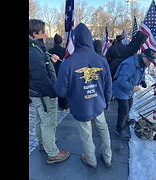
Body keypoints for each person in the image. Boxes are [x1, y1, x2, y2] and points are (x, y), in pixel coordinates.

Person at [55, 23, 112, 168]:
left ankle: (91, 161)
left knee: (86, 135)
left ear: (75, 41)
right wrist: (105, 102)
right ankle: (108, 158)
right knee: (103, 130)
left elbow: (60, 91)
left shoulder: (68, 63)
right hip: (99, 104)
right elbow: (108, 86)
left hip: (81, 107)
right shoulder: (101, 59)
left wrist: (73, 92)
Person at [29, 19, 70, 164]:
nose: (46, 36)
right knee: (49, 123)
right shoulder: (33, 51)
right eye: (43, 32)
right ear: (35, 34)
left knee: (40, 119)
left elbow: (39, 69)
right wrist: (54, 92)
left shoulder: (36, 48)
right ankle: (52, 152)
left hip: (37, 93)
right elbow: (41, 77)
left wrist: (50, 61)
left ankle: (43, 142)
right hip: (43, 94)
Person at [112, 48, 156, 140]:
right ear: (143, 56)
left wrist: (143, 81)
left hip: (128, 90)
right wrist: (132, 87)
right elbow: (121, 80)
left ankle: (126, 120)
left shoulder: (142, 63)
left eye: (151, 60)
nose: (150, 62)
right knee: (124, 109)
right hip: (120, 89)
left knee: (129, 104)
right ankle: (119, 128)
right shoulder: (130, 64)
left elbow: (141, 72)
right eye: (149, 60)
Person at [48, 34, 69, 111]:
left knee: (56, 87)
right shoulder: (64, 50)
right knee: (63, 87)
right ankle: (64, 105)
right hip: (63, 71)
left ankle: (58, 104)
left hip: (54, 71)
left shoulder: (50, 51)